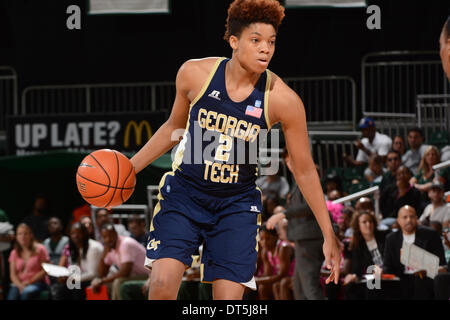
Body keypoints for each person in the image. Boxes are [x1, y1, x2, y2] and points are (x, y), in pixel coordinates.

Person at [128, 0, 340, 300]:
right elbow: (171, 129)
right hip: (185, 194)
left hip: (235, 205)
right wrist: (129, 168)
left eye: (271, 42)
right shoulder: (194, 73)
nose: (266, 49)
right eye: (256, 41)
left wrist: (328, 233)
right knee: (161, 288)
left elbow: (303, 168)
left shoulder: (284, 100)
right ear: (234, 41)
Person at [266, 147, 325, 300]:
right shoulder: (299, 179)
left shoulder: (308, 176)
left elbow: (310, 206)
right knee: (299, 289)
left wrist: (283, 214)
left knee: (310, 288)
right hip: (302, 239)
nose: (288, 164)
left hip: (309, 239)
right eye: (286, 161)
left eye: (291, 160)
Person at [382, 205, 447, 299]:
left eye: (412, 217)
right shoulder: (391, 239)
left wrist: (427, 269)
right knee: (377, 285)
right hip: (401, 280)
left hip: (425, 278)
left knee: (419, 281)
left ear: (416, 218)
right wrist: (381, 272)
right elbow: (387, 265)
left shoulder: (430, 235)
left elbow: (441, 263)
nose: (408, 220)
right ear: (398, 220)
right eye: (405, 217)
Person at [91, 223, 149, 300]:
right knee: (101, 285)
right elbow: (102, 274)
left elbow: (125, 272)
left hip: (148, 276)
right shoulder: (109, 247)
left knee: (118, 282)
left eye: (110, 235)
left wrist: (101, 281)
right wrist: (103, 256)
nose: (108, 239)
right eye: (105, 237)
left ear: (115, 234)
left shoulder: (126, 243)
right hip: (134, 276)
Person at [51, 222, 104, 300]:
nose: (75, 236)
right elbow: (74, 270)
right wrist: (66, 277)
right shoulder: (74, 248)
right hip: (82, 278)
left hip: (97, 279)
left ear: (85, 234)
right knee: (62, 289)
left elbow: (93, 274)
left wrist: (72, 278)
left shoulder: (93, 247)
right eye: (73, 233)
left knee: (76, 288)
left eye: (79, 233)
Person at [342, 210, 387, 300]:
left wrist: (383, 269)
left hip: (386, 274)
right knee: (351, 287)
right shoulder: (356, 245)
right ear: (358, 226)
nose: (368, 224)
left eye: (370, 221)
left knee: (373, 284)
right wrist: (354, 276)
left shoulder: (385, 237)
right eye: (364, 222)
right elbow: (357, 268)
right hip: (369, 277)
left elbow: (390, 259)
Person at [7, 223, 49, 300]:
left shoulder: (40, 249)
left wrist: (29, 282)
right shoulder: (14, 252)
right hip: (19, 283)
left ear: (31, 235)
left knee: (27, 292)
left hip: (37, 282)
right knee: (11, 297)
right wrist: (20, 286)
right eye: (19, 234)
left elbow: (45, 270)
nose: (22, 236)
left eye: (25, 233)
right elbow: (12, 274)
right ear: (16, 236)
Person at [255, 223, 295, 300]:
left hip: (293, 277)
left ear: (276, 237)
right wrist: (255, 280)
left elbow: (282, 275)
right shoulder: (265, 252)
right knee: (263, 287)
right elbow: (267, 274)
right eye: (262, 239)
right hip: (282, 279)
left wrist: (257, 280)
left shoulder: (283, 248)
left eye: (268, 238)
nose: (265, 242)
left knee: (280, 284)